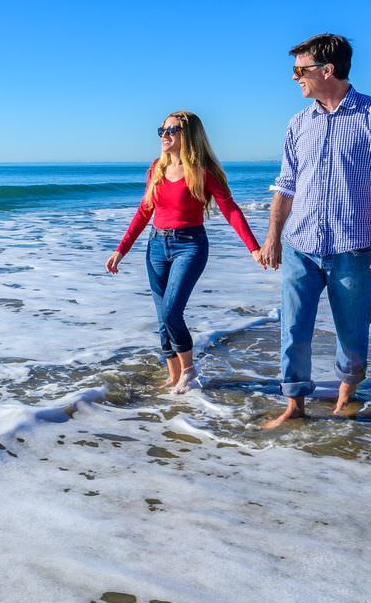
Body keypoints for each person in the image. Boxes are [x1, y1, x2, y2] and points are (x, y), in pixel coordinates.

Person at [257, 35, 371, 427]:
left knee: (352, 333)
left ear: (326, 71)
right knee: (293, 330)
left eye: (300, 70)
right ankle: (294, 406)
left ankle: (345, 398)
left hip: (354, 248)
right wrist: (272, 237)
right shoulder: (298, 123)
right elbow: (286, 185)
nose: (294, 78)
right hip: (301, 246)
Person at [105, 111, 262, 393]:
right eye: (162, 130)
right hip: (156, 246)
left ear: (188, 135)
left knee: (171, 312)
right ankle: (174, 375)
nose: (164, 135)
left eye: (172, 130)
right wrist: (121, 250)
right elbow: (144, 212)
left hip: (190, 245)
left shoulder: (203, 171)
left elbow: (231, 210)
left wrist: (253, 247)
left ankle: (189, 371)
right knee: (162, 317)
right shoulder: (156, 168)